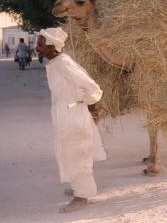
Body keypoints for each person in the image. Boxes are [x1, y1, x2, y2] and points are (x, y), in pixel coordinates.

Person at [36, 27, 106, 213]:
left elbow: (92, 87)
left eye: (41, 44)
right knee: (69, 152)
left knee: (78, 154)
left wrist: (88, 105)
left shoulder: (63, 63)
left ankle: (81, 197)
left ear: (52, 46)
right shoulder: (55, 63)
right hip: (66, 115)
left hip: (73, 117)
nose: (37, 47)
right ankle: (81, 187)